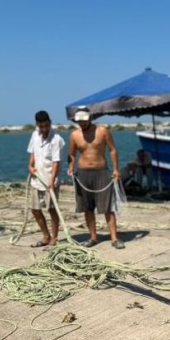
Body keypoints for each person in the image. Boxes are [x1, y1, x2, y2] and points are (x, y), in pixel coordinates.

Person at [67, 107, 125, 249]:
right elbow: (72, 154)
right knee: (87, 207)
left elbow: (112, 150)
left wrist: (116, 169)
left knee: (107, 207)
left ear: (91, 118)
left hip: (102, 172)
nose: (82, 123)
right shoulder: (74, 135)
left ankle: (114, 238)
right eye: (80, 121)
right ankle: (93, 237)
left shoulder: (102, 131)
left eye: (85, 121)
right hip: (83, 173)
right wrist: (70, 167)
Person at [27, 110, 65, 248]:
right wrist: (30, 166)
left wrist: (52, 180)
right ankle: (45, 236)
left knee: (52, 209)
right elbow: (33, 152)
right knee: (35, 209)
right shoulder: (34, 135)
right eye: (41, 126)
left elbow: (56, 161)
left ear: (50, 123)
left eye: (46, 126)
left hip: (50, 179)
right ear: (37, 125)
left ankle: (54, 238)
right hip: (36, 179)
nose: (44, 129)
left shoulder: (57, 139)